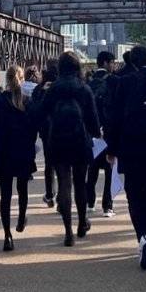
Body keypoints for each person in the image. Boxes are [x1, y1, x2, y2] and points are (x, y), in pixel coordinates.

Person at [106, 44, 146, 269]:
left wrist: (112, 149)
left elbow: (115, 118)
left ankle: (142, 238)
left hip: (129, 147)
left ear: (132, 61)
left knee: (134, 195)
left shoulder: (124, 83)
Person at [39, 50, 101, 246]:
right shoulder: (84, 88)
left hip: (57, 140)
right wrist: (96, 134)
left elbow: (40, 113)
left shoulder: (54, 89)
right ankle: (82, 222)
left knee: (64, 184)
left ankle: (68, 232)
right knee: (80, 184)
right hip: (80, 141)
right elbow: (93, 120)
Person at [0, 64, 37, 251]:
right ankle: (21, 219)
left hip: (5, 151)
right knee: (22, 188)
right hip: (23, 150)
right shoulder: (27, 101)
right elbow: (33, 127)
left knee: (5, 194)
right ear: (21, 78)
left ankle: (7, 236)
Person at [87, 50, 116, 217]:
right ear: (106, 63)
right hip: (109, 130)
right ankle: (108, 205)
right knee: (110, 168)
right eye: (112, 62)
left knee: (92, 168)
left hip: (92, 130)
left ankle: (90, 201)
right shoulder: (114, 81)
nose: (113, 65)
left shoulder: (88, 81)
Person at [31, 61, 60, 206]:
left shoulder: (40, 88)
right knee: (63, 163)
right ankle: (63, 195)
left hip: (46, 129)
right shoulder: (64, 85)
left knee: (49, 163)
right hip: (62, 128)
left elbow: (35, 108)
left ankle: (50, 193)